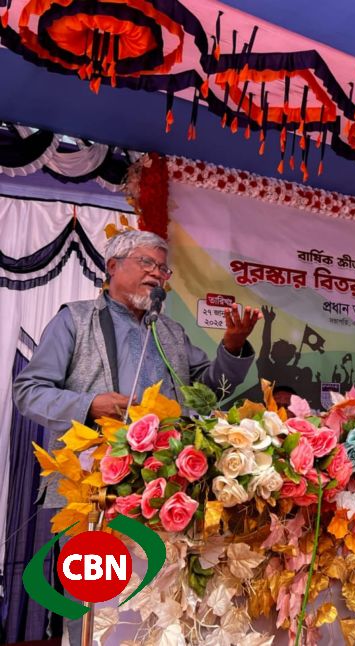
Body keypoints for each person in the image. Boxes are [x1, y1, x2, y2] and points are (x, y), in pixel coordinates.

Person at [12, 230, 262, 645]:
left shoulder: (171, 332)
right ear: (113, 266)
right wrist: (90, 405)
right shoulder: (75, 319)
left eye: (163, 268)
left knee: (158, 606)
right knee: (99, 607)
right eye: (147, 263)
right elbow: (29, 391)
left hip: (167, 488)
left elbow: (208, 392)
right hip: (94, 489)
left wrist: (232, 349)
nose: (157, 274)